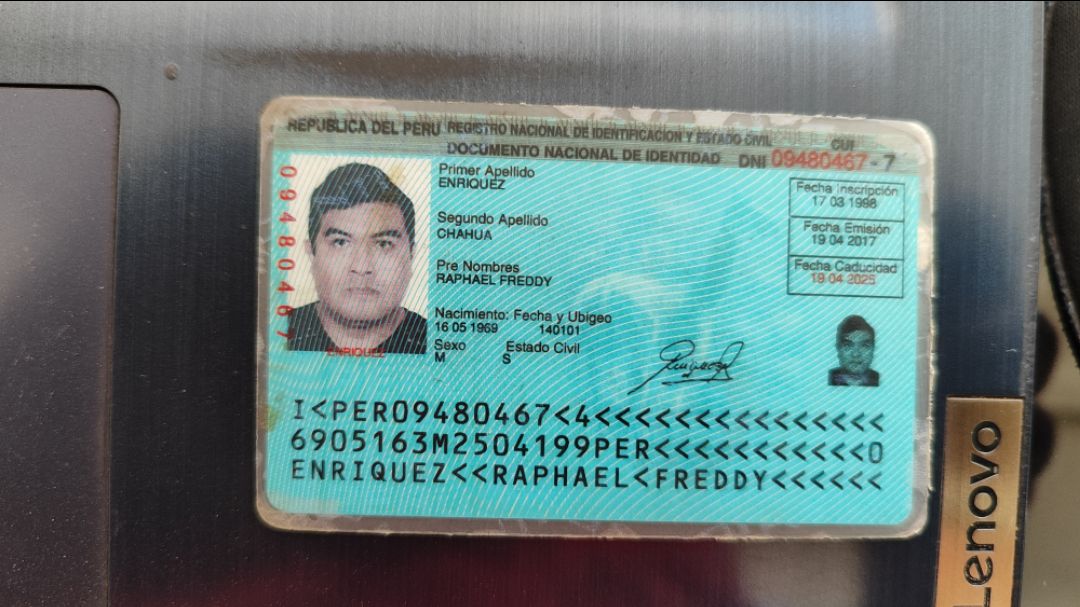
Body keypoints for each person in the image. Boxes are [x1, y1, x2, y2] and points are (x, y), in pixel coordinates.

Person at [288, 163, 426, 354]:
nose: (361, 267)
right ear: (312, 254)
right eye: (340, 242)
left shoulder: (438, 340)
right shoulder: (278, 333)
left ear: (411, 255)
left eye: (384, 244)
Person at [828, 315, 878, 386]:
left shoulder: (881, 380)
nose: (855, 354)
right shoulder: (827, 379)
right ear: (838, 348)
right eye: (847, 346)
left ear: (873, 349)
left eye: (864, 346)